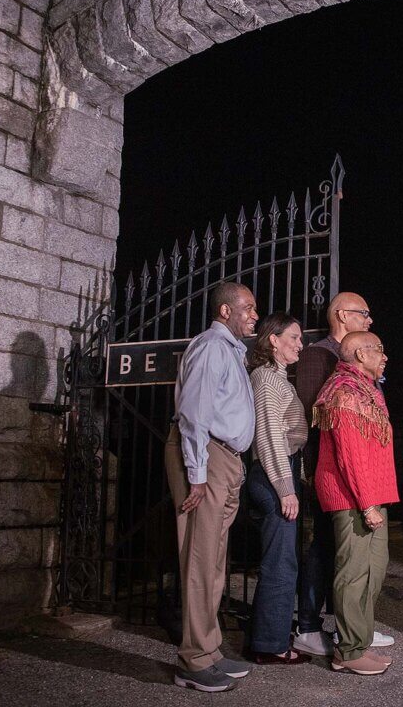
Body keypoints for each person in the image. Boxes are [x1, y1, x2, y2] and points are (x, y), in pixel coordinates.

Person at [165, 282, 259, 692]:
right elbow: (193, 413)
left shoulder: (231, 351)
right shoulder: (211, 347)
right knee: (200, 559)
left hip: (225, 458)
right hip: (207, 455)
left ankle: (211, 649)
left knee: (214, 558)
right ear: (225, 311)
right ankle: (193, 661)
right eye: (249, 308)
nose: (255, 315)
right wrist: (197, 473)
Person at [293, 292, 395, 657]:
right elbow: (311, 421)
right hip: (335, 474)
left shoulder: (355, 363)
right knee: (327, 550)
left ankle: (355, 630)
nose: (369, 319)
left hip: (356, 477)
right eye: (363, 314)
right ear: (341, 315)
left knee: (352, 557)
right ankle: (310, 626)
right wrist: (314, 473)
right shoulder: (320, 357)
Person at [313, 331, 399, 675]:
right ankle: (347, 651)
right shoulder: (344, 392)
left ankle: (358, 643)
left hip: (371, 495)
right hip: (353, 498)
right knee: (353, 574)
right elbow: (350, 456)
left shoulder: (365, 390)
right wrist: (366, 504)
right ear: (360, 354)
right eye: (379, 349)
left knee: (373, 571)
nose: (384, 356)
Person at [244, 312, 311, 665]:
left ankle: (268, 637)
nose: (301, 344)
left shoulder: (277, 378)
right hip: (273, 474)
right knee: (280, 562)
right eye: (295, 337)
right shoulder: (266, 379)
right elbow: (269, 435)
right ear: (273, 339)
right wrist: (286, 488)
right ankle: (269, 645)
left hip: (280, 471)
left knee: (283, 559)